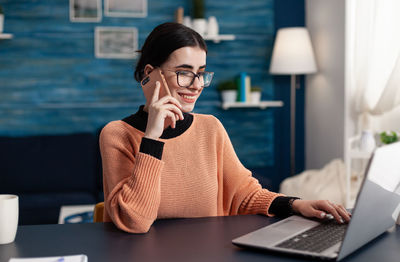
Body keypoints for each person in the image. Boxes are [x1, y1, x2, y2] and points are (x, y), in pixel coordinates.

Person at [99, 22, 351, 233]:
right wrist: (153, 137)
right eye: (184, 73)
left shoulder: (211, 128)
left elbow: (244, 195)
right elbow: (135, 221)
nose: (197, 85)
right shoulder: (117, 135)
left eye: (202, 73)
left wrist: (296, 204)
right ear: (150, 74)